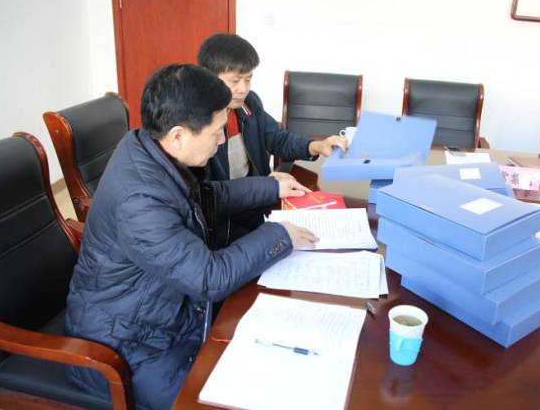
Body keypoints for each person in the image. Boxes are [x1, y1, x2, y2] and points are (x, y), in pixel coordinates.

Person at [64, 64, 317, 410]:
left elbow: (206, 196)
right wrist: (279, 234)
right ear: (179, 135)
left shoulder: (151, 149)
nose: (221, 139)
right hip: (124, 344)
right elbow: (208, 278)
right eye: (216, 131)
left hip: (163, 311)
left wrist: (270, 186)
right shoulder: (140, 201)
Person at [197, 33, 348, 247]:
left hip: (255, 208)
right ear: (209, 78)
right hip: (223, 224)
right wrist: (265, 185)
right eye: (235, 81)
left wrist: (316, 146)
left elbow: (277, 138)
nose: (243, 89)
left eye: (248, 79)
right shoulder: (198, 126)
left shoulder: (248, 104)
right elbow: (208, 195)